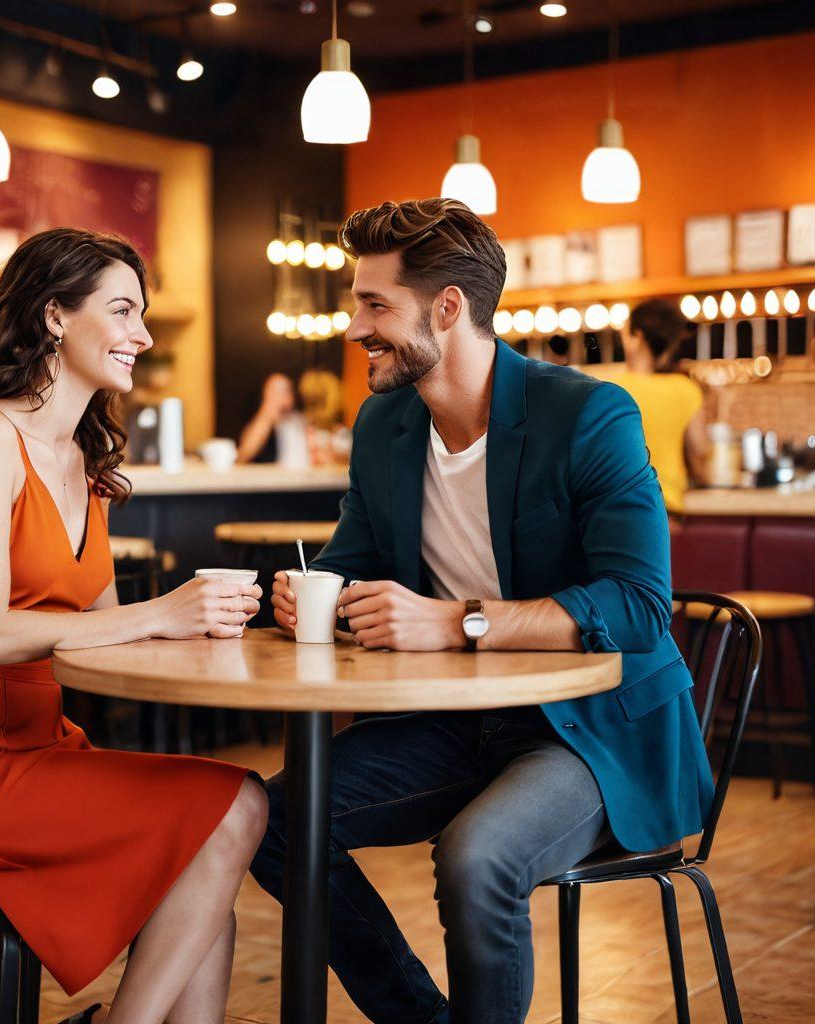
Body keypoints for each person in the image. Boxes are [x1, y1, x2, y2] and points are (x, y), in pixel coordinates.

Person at [253, 199, 714, 1024]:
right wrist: (305, 598)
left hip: (595, 729)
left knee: (476, 858)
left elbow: (641, 605)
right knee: (265, 819)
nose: (354, 327)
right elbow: (348, 565)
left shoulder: (587, 414)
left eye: (373, 305)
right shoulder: (384, 423)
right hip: (457, 724)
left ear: (447, 308)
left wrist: (455, 620)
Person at [0, 228, 268, 1024]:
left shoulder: (81, 461)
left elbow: (106, 628)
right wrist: (163, 611)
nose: (144, 336)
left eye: (143, 314)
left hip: (40, 748)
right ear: (55, 315)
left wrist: (202, 624)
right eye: (122, 310)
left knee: (205, 866)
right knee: (237, 807)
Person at [594, 298, 706, 513]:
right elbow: (700, 453)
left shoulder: (608, 389)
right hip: (664, 508)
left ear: (636, 337)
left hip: (613, 507)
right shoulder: (685, 389)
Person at [236, 371, 295, 463]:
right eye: (276, 392)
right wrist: (268, 413)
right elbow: (243, 455)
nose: (282, 397)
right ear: (265, 394)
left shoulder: (298, 422)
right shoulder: (261, 422)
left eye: (286, 391)